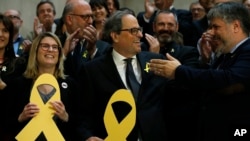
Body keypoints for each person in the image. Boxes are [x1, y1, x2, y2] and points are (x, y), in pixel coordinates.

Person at [149, 2, 250, 141]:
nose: (210, 32)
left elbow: (228, 80)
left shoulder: (247, 51)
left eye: (216, 27)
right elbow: (209, 84)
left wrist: (178, 71)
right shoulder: (226, 54)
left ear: (236, 26)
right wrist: (206, 61)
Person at [76, 10, 168, 141]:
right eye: (134, 31)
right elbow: (83, 116)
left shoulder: (156, 61)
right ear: (115, 36)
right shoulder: (92, 70)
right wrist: (88, 137)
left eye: (139, 29)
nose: (140, 35)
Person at [2, 32, 78, 140]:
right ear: (35, 51)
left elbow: (81, 123)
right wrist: (20, 117)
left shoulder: (71, 85)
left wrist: (66, 117)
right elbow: (5, 121)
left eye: (55, 47)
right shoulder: (18, 85)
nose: (50, 50)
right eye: (45, 46)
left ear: (59, 54)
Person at [60, 0, 110, 78]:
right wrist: (64, 54)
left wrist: (92, 51)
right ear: (69, 19)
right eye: (85, 17)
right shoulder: (53, 44)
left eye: (91, 17)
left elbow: (105, 77)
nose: (90, 21)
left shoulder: (103, 47)